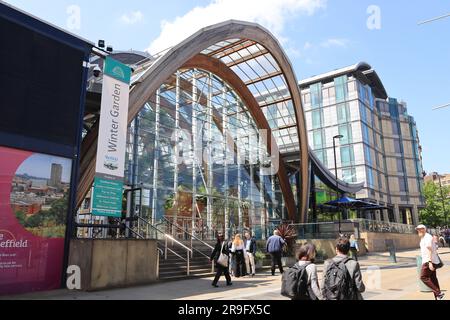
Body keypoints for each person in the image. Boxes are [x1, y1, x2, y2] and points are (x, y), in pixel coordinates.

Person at [416, 225, 445, 300]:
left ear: (424, 229)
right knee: (433, 279)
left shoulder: (427, 237)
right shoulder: (424, 237)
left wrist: (429, 262)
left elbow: (430, 249)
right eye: (418, 229)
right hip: (430, 260)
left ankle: (438, 293)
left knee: (423, 277)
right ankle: (438, 297)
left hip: (428, 261)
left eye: (420, 229)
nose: (418, 231)